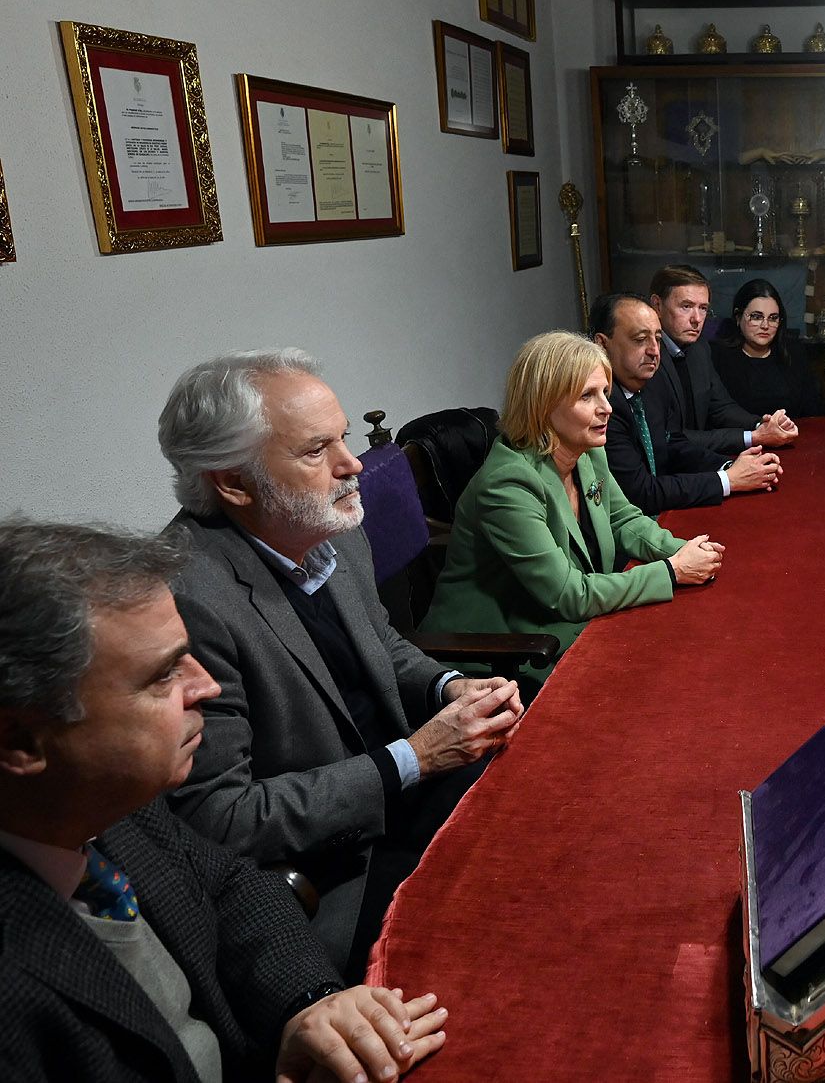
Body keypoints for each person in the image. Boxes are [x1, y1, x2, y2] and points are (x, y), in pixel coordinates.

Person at [0, 518, 449, 1083]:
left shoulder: (111, 807)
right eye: (162, 675)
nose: (206, 687)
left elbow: (230, 884)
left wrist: (308, 1002)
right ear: (21, 741)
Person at [158, 349, 525, 979]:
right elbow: (223, 817)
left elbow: (383, 644)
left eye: (344, 438)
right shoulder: (184, 600)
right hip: (337, 865)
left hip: (405, 789)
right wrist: (414, 757)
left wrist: (449, 685)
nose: (352, 465)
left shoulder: (330, 527)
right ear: (234, 483)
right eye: (315, 450)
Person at [422, 331, 723, 655]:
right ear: (542, 405)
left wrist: (685, 551)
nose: (607, 408)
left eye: (605, 392)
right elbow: (568, 595)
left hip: (562, 625)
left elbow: (623, 520)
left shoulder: (587, 450)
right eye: (587, 396)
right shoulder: (508, 483)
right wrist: (672, 570)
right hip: (502, 650)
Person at [596, 293, 782, 515]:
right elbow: (642, 493)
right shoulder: (601, 406)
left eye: (658, 339)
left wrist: (731, 467)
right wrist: (727, 480)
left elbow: (673, 444)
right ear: (602, 344)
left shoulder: (653, 383)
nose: (654, 351)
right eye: (640, 339)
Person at [647, 264, 799, 453]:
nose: (697, 319)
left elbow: (721, 407)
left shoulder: (699, 347)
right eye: (686, 306)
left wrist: (762, 424)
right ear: (657, 305)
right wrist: (754, 437)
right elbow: (669, 438)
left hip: (698, 458)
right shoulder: (647, 355)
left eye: (703, 308)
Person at [710, 278, 820, 419]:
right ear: (738, 317)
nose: (765, 326)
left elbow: (812, 410)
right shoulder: (718, 357)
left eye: (773, 318)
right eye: (756, 317)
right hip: (741, 433)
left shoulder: (794, 353)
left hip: (791, 431)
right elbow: (717, 415)